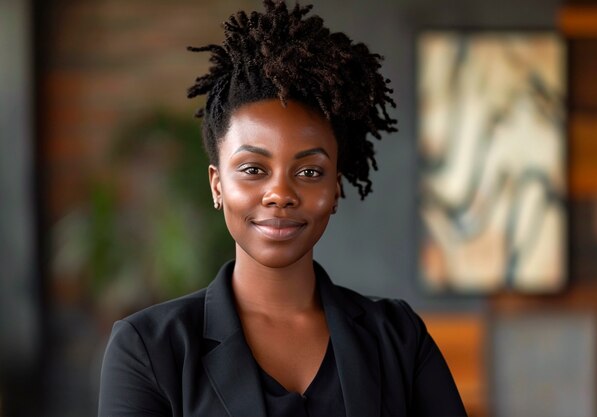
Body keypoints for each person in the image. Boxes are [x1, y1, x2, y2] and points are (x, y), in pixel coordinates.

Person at [98, 1, 467, 416]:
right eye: (254, 168)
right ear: (217, 185)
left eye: (309, 172)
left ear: (336, 187)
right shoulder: (150, 348)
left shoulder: (398, 338)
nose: (280, 194)